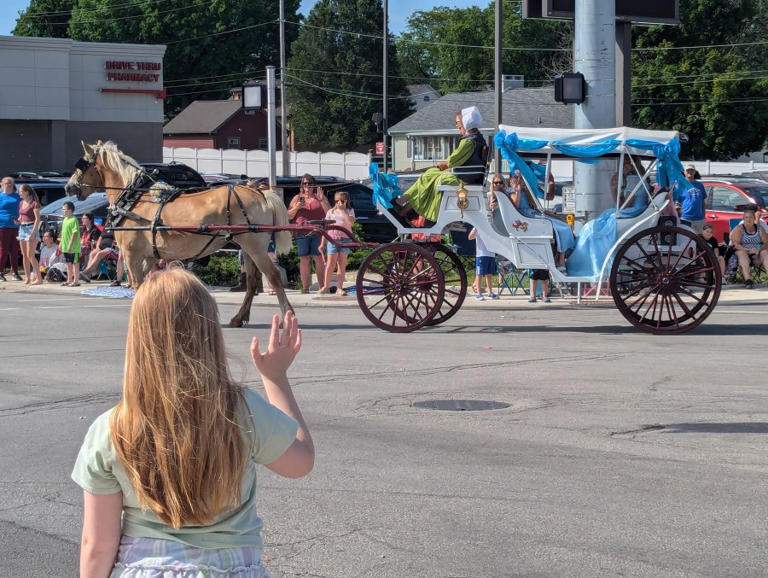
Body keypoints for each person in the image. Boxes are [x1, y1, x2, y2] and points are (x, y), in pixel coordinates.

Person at [71, 267, 313, 577]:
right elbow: (300, 463)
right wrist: (275, 378)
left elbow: (98, 545)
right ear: (209, 331)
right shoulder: (240, 411)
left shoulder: (110, 429)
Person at [394, 106, 488, 223]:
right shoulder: (478, 139)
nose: (456, 125)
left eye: (458, 122)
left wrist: (443, 165)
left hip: (462, 179)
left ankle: (403, 203)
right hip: (467, 176)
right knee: (429, 174)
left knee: (428, 176)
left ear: (466, 122)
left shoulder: (468, 142)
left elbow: (453, 160)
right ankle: (406, 206)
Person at [507, 170, 574, 271]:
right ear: (511, 179)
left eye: (520, 178)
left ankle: (561, 258)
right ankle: (560, 260)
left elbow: (536, 206)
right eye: (516, 178)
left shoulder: (527, 191)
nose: (518, 180)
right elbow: (515, 206)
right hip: (527, 217)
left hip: (534, 214)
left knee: (565, 227)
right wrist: (518, 190)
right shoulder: (511, 191)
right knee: (559, 228)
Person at [287, 174, 330, 293]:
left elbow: (329, 213)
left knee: (318, 258)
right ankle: (305, 287)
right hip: (301, 232)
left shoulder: (319, 197)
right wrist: (296, 208)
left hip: (318, 231)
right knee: (304, 259)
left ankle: (322, 287)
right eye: (305, 183)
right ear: (301, 185)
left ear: (314, 185)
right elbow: (288, 215)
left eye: (310, 183)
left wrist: (322, 201)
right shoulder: (297, 198)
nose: (307, 186)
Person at [320, 190, 355, 296]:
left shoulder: (350, 210)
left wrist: (343, 211)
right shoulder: (331, 212)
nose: (339, 202)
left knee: (342, 263)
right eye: (337, 200)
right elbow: (325, 228)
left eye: (342, 200)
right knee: (330, 264)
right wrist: (322, 243)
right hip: (332, 238)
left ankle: (339, 288)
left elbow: (351, 222)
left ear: (346, 201)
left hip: (345, 238)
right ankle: (326, 286)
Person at [729, 206, 768, 289]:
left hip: (757, 252)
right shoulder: (739, 228)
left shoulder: (760, 229)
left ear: (754, 218)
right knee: (741, 253)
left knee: (764, 252)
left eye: (750, 217)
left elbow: (766, 243)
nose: (748, 219)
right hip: (742, 250)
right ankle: (748, 280)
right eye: (746, 217)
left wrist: (758, 250)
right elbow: (736, 244)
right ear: (743, 218)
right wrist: (747, 250)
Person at [16, 184, 43, 285]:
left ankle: (39, 278)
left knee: (30, 255)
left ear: (27, 192)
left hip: (31, 228)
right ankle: (27, 277)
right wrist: (17, 220)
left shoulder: (34, 203)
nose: (19, 193)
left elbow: (37, 219)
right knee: (24, 255)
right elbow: (21, 216)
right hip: (22, 228)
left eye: (21, 191)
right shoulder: (21, 203)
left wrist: (33, 233)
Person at [0, 176, 21, 282]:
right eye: (7, 183)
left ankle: (15, 272)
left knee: (14, 250)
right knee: (3, 250)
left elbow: (23, 208)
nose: (9, 185)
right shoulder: (0, 196)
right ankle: (1, 272)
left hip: (15, 226)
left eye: (11, 183)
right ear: (2, 184)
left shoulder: (17, 196)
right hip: (2, 226)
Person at [676, 164, 707, 233]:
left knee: (698, 240)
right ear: (684, 172)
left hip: (699, 219)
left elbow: (703, 202)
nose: (690, 172)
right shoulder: (680, 185)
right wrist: (679, 216)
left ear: (695, 172)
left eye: (692, 170)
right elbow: (676, 203)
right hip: (685, 218)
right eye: (688, 170)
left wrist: (703, 217)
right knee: (686, 239)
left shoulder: (700, 185)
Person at [468, 226, 497, 300]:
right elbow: (470, 237)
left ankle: (490, 293)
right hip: (481, 254)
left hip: (491, 254)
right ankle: (479, 294)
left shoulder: (492, 227)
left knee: (489, 274)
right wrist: (476, 229)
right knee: (479, 274)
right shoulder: (477, 226)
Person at [60, 201, 82, 287]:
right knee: (68, 264)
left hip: (73, 247)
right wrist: (61, 243)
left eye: (64, 209)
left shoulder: (74, 219)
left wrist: (70, 244)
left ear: (70, 210)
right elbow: (63, 233)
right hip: (65, 246)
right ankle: (69, 280)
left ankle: (76, 281)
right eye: (62, 209)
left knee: (75, 264)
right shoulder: (65, 219)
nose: (63, 211)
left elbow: (74, 233)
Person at [78, 213, 101, 282]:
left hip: (91, 249)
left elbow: (94, 244)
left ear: (90, 220)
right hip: (82, 248)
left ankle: (87, 274)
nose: (82, 220)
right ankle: (74, 273)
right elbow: (80, 240)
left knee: (88, 252)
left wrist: (85, 245)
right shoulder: (83, 229)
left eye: (84, 218)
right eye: (82, 218)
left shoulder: (95, 230)